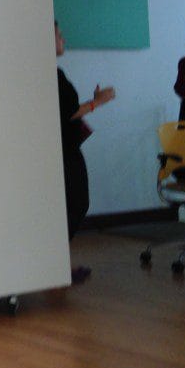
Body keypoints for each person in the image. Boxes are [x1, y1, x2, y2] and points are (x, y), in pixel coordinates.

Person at [55, 20, 115, 284]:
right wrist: (97, 102)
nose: (63, 39)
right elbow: (68, 112)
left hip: (60, 147)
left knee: (69, 205)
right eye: (59, 34)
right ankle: (56, 265)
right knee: (75, 204)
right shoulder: (53, 74)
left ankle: (57, 265)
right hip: (64, 149)